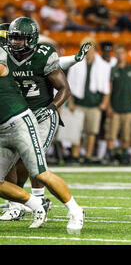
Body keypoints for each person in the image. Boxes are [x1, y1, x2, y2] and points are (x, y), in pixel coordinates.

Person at [0, 17, 89, 221]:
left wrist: (51, 108)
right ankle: (17, 204)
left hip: (41, 114)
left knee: (34, 160)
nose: (14, 43)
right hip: (16, 114)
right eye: (12, 39)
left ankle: (40, 201)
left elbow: (65, 89)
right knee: (13, 161)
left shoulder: (43, 55)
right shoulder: (5, 56)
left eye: (20, 39)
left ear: (31, 39)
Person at [67, 40, 111, 164]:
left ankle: (88, 155)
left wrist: (104, 102)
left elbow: (106, 86)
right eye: (86, 49)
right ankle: (75, 156)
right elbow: (69, 85)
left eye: (90, 49)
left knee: (91, 132)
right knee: (76, 131)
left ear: (95, 50)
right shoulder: (76, 64)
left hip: (94, 104)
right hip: (79, 103)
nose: (88, 52)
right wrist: (70, 102)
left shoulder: (103, 65)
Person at [105, 44, 131, 165]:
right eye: (118, 53)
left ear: (125, 54)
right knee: (112, 134)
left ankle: (125, 155)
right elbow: (108, 90)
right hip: (115, 108)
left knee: (126, 134)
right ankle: (109, 154)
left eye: (122, 53)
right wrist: (109, 106)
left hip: (128, 108)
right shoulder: (112, 70)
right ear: (115, 55)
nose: (120, 55)